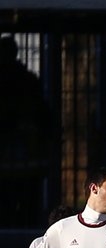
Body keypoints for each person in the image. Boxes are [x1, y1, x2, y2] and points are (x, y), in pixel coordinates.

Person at [0, 36, 54, 229]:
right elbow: (44, 115)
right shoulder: (28, 81)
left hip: (13, 159)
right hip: (29, 159)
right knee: (28, 208)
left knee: (6, 208)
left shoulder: (23, 81)